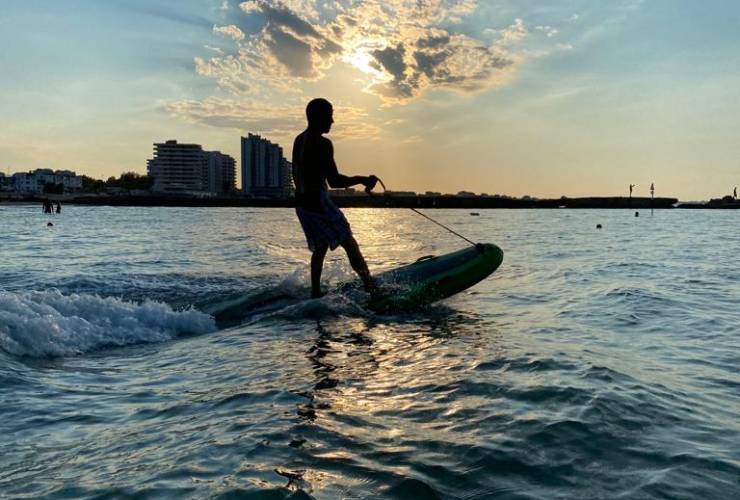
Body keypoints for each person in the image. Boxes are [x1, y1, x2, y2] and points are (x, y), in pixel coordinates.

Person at [292, 98, 380, 298]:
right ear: (319, 117)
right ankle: (371, 289)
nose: (332, 121)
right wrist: (362, 179)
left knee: (320, 248)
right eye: (330, 116)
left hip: (302, 205)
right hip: (318, 203)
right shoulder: (323, 143)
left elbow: (297, 174)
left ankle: (315, 294)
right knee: (350, 244)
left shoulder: (300, 139)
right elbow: (335, 181)